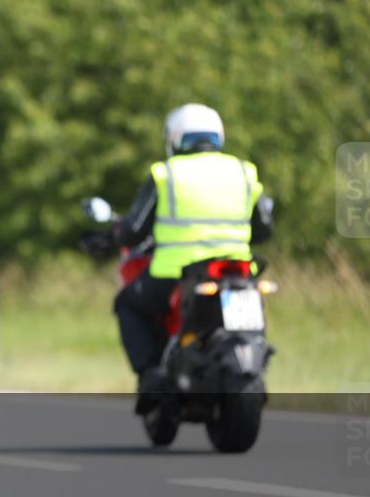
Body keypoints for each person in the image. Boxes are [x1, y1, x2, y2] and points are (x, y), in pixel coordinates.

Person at [112, 103, 273, 411]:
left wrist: (115, 234)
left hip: (174, 273)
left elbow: (133, 230)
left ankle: (150, 375)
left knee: (127, 304)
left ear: (173, 138)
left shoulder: (166, 173)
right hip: (237, 272)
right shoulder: (244, 171)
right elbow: (264, 228)